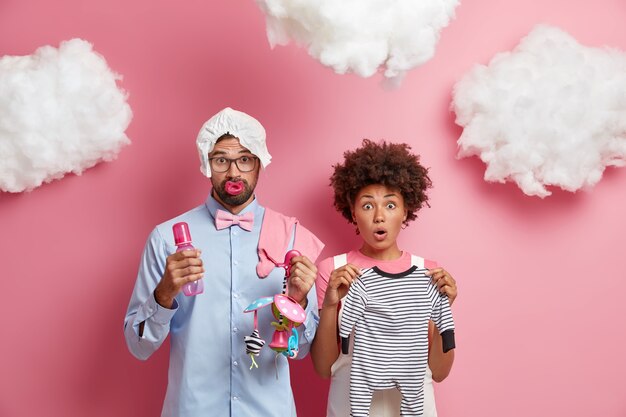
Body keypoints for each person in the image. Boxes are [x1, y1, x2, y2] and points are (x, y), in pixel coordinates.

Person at [124, 107, 324, 417]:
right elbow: (139, 347)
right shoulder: (166, 239)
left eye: (244, 159)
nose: (233, 173)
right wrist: (164, 293)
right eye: (221, 160)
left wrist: (295, 304)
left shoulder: (293, 238)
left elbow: (302, 353)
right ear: (207, 164)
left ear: (260, 164)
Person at [311, 139, 458, 417]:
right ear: (353, 212)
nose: (379, 216)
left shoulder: (428, 272)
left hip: (413, 403)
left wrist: (443, 308)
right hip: (351, 404)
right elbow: (322, 367)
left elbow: (439, 372)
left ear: (406, 211)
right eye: (367, 206)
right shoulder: (334, 270)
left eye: (390, 205)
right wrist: (331, 305)